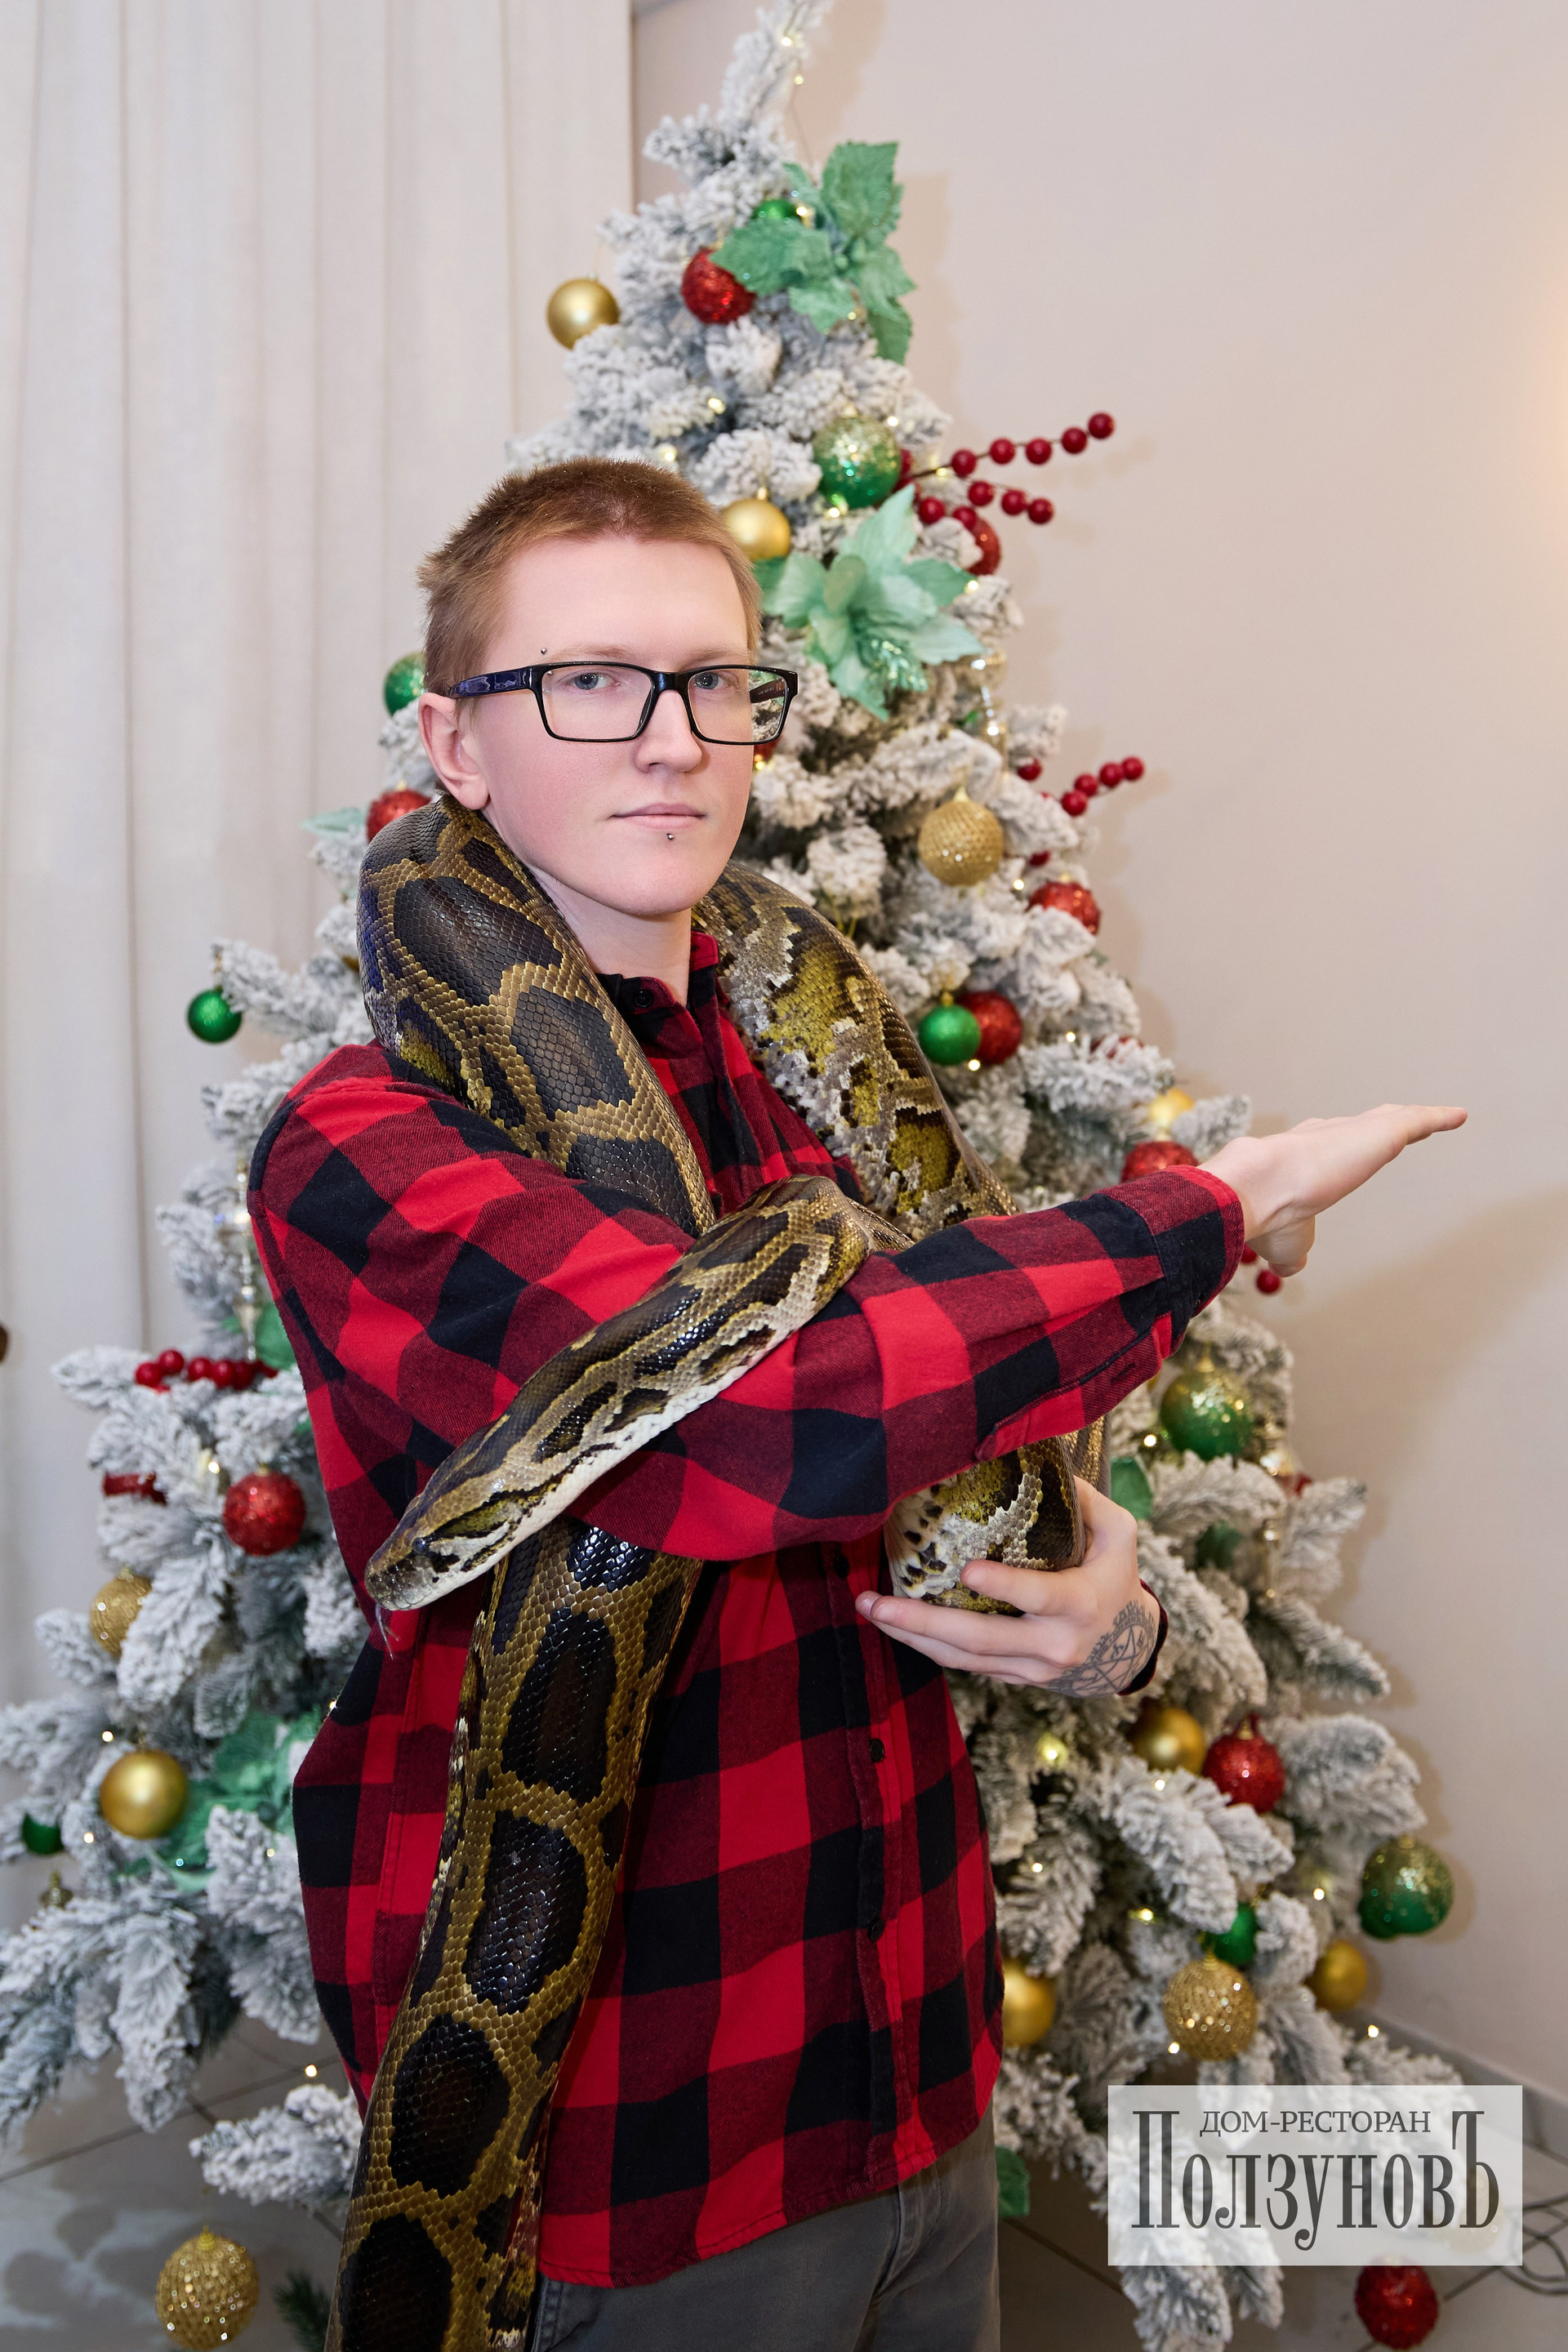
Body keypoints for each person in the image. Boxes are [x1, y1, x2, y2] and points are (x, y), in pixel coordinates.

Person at [248, 457, 1463, 2352]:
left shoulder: (818, 1092)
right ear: (456, 746)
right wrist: (1211, 1206)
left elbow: (962, 1437)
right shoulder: (364, 1147)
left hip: (918, 2083)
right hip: (643, 2170)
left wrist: (1101, 1602)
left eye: (713, 682)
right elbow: (778, 1418)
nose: (669, 739)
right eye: (588, 682)